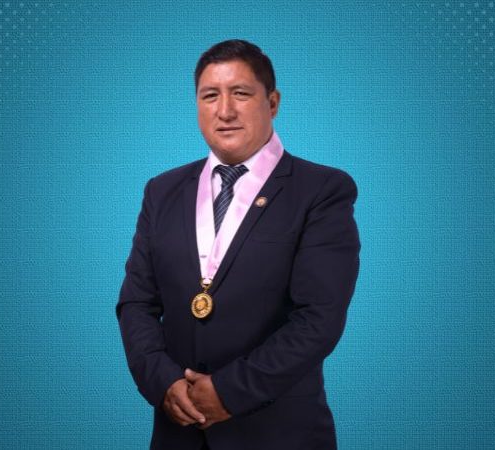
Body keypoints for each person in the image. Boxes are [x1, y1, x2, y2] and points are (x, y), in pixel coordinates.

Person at [116, 39, 360, 450]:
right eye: (210, 95)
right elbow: (136, 303)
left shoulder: (321, 190)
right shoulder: (162, 190)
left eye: (241, 93)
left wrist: (228, 392)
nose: (224, 111)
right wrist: (164, 382)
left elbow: (319, 317)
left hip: (280, 436)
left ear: (273, 102)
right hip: (178, 433)